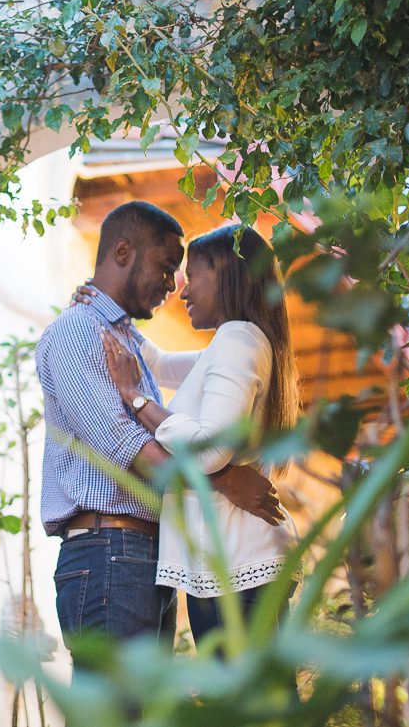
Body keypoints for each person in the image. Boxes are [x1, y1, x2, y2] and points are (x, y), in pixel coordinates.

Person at [37, 202, 285, 663]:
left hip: (139, 556)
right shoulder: (79, 333)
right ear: (124, 252)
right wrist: (226, 480)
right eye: (168, 268)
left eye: (185, 272)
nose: (174, 287)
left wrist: (135, 389)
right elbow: (129, 452)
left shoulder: (212, 341)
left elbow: (168, 369)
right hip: (110, 549)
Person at [94, 223, 300, 642]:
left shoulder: (238, 338)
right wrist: (105, 305)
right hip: (235, 566)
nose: (182, 290)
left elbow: (210, 451)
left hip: (236, 567)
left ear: (226, 274)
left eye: (193, 275)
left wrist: (135, 398)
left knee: (244, 703)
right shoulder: (240, 342)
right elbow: (161, 363)